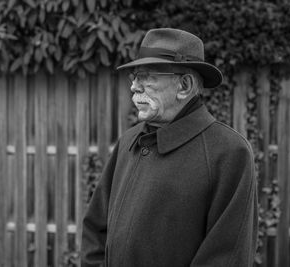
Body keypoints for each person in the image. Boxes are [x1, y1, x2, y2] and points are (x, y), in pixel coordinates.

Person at [80, 28, 258, 267]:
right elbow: (95, 230)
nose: (134, 87)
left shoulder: (228, 152)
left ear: (183, 85)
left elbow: (227, 256)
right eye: (134, 77)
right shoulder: (128, 141)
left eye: (146, 76)